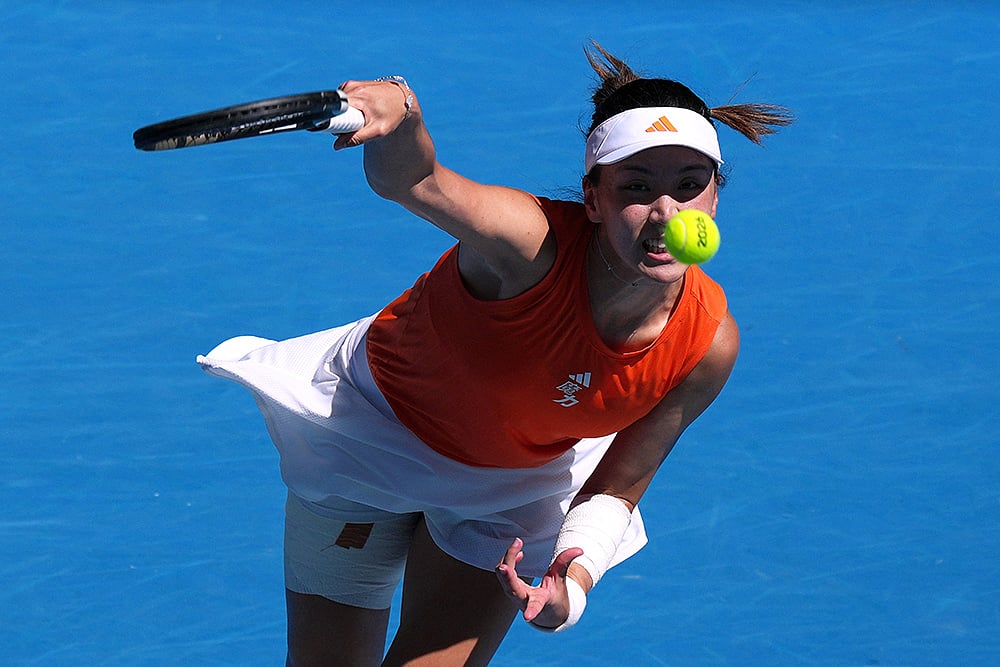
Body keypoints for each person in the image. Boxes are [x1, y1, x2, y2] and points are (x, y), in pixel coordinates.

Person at [197, 41, 791, 666]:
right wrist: (401, 112)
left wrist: (572, 586)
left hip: (510, 485)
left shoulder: (707, 345)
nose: (667, 213)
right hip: (371, 435)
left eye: (690, 186)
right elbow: (416, 181)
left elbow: (618, 488)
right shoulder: (527, 245)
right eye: (637, 188)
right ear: (593, 200)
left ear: (714, 199)